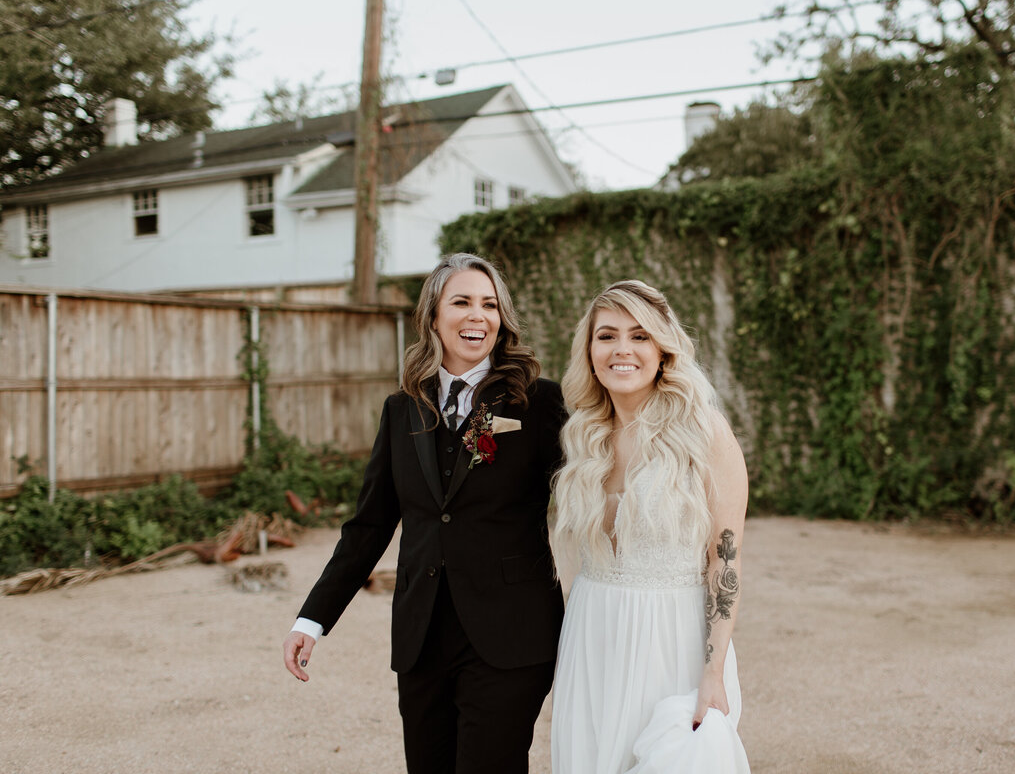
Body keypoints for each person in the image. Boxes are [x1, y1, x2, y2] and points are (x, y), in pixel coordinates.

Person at [282, 252, 567, 774]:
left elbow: (587, 490)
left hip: (511, 633)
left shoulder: (538, 402)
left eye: (489, 304)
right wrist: (313, 617)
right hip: (421, 637)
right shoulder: (401, 409)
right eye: (461, 302)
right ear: (433, 316)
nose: (476, 315)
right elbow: (369, 526)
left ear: (501, 319)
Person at [550, 280, 751, 774]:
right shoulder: (583, 434)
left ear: (663, 350)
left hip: (672, 639)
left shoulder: (703, 431)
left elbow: (724, 559)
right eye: (607, 336)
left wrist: (713, 671)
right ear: (589, 349)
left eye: (640, 336)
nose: (622, 349)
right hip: (591, 637)